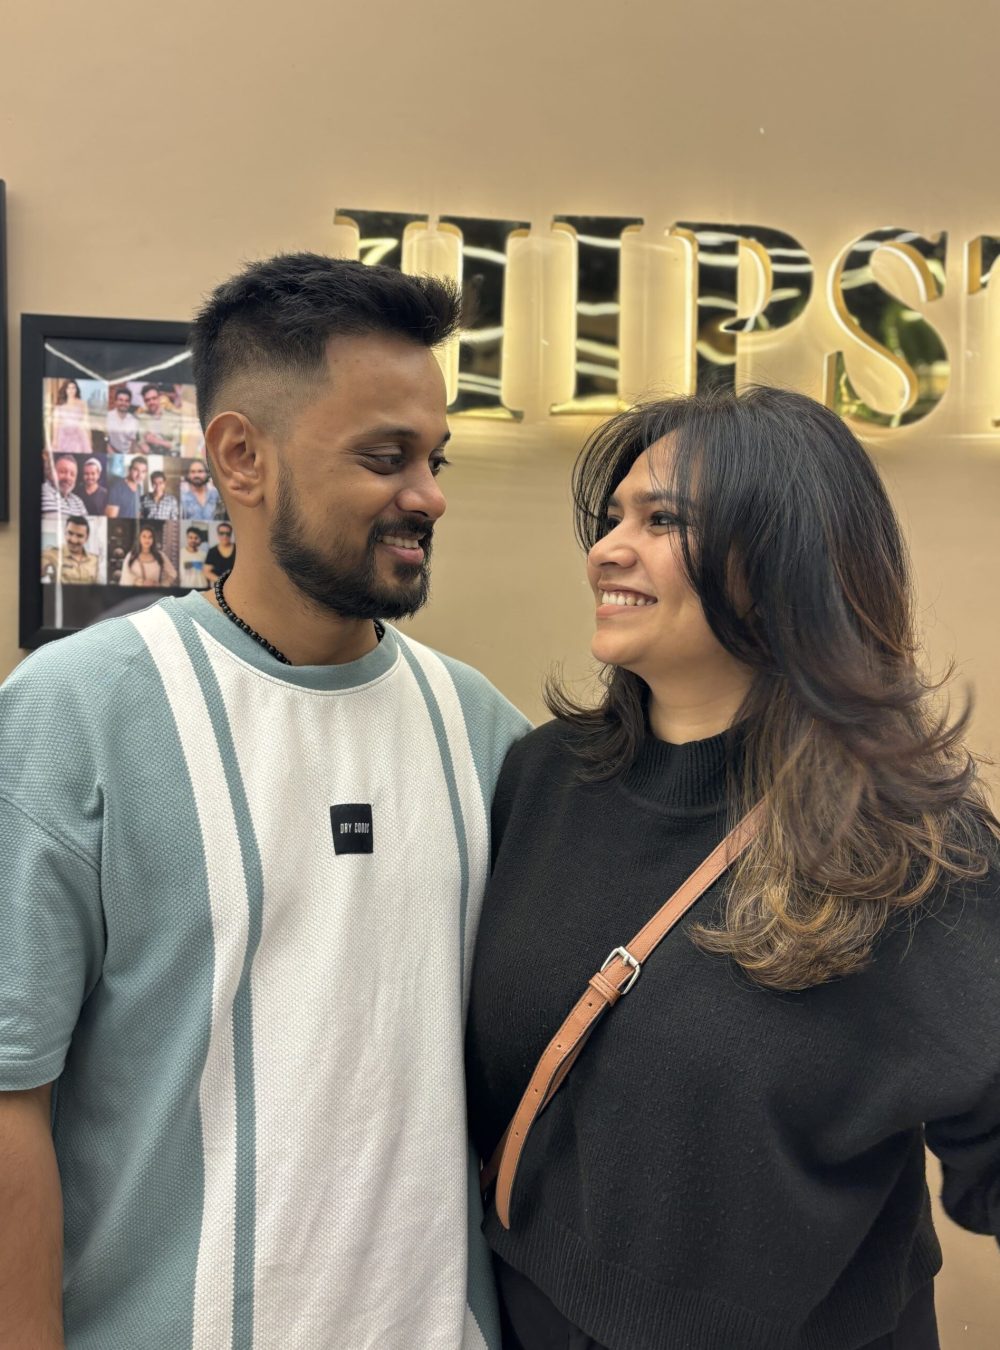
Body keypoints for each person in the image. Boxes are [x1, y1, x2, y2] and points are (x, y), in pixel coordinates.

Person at [0, 252, 529, 1350]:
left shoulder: (483, 730)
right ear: (241, 456)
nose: (428, 495)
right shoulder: (75, 713)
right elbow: (10, 1097)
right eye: (384, 457)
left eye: (434, 459)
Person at [465, 388, 1000, 1350]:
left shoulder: (912, 845)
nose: (607, 549)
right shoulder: (542, 779)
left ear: (785, 561)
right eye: (613, 518)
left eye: (662, 520)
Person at [40, 515, 100, 585]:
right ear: (65, 533)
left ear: (86, 538)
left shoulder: (95, 560)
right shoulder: (51, 554)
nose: (73, 540)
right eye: (70, 533)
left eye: (79, 536)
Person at [136, 383, 182, 455]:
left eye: (154, 398)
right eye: (147, 400)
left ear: (159, 398)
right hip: (152, 455)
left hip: (172, 455)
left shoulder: (173, 417)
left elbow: (177, 445)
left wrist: (156, 441)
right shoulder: (142, 419)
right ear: (144, 402)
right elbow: (142, 443)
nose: (151, 402)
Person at [51, 379, 92, 457]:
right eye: (69, 388)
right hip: (63, 436)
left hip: (79, 436)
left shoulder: (82, 403)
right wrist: (54, 440)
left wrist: (89, 439)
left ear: (76, 389)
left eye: (73, 388)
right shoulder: (59, 405)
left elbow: (87, 422)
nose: (71, 390)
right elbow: (56, 424)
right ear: (65, 390)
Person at [41, 452, 88, 517]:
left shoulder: (78, 501)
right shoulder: (44, 492)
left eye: (72, 474)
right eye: (62, 472)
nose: (68, 478)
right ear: (52, 473)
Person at [105, 454, 148, 518]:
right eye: (136, 470)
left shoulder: (139, 487)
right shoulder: (117, 487)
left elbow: (137, 511)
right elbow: (111, 517)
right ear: (129, 469)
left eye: (143, 471)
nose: (139, 475)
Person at [106, 387, 140, 454]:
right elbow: (105, 440)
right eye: (120, 400)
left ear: (129, 403)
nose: (123, 403)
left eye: (126, 401)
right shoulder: (108, 417)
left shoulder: (134, 420)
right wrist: (112, 453)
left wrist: (129, 455)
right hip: (111, 452)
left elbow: (133, 443)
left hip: (127, 453)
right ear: (115, 401)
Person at [202, 520, 235, 584]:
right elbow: (206, 571)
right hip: (220, 586)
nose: (225, 536)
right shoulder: (212, 551)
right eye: (221, 533)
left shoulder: (238, 550)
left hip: (237, 585)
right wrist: (222, 581)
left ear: (231, 534)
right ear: (218, 534)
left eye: (228, 533)